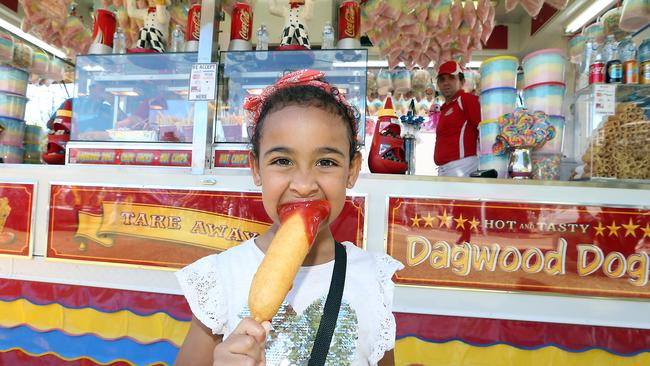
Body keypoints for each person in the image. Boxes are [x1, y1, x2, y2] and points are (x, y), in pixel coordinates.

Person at [174, 70, 404, 366]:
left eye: (326, 162)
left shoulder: (373, 280)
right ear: (256, 168)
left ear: (352, 170)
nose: (304, 184)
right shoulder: (221, 278)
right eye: (282, 161)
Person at [434, 60, 482, 176]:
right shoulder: (445, 108)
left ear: (462, 81)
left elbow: (485, 132)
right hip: (446, 170)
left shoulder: (467, 100)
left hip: (463, 167)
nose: (446, 83)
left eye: (451, 78)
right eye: (442, 79)